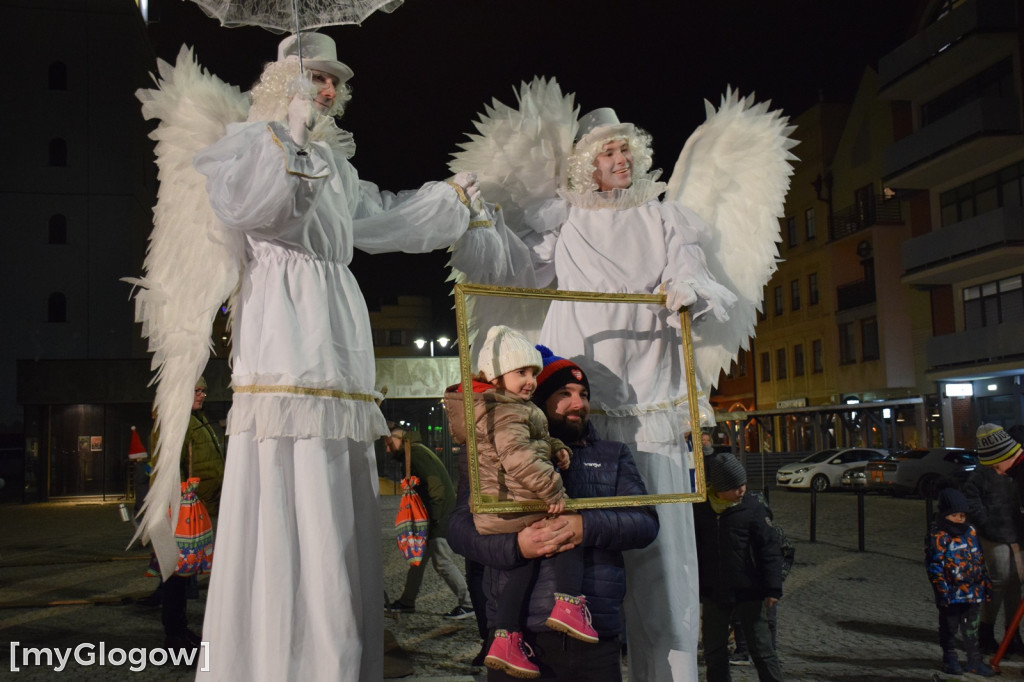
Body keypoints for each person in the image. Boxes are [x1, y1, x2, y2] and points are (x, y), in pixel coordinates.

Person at [184, 33, 478, 681]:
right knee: (290, 465)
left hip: (336, 326)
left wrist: (450, 198)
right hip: (284, 326)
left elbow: (382, 218)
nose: (325, 91)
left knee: (335, 479)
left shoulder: (335, 166)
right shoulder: (251, 144)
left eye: (331, 83)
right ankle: (272, 650)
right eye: (312, 79)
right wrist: (285, 140)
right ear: (279, 83)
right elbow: (253, 209)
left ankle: (333, 645)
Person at [450, 106, 739, 681]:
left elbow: (693, 272)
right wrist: (477, 215)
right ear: (587, 162)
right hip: (576, 397)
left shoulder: (664, 218)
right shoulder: (563, 220)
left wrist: (685, 287)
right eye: (608, 152)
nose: (620, 160)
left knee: (664, 561)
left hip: (650, 385)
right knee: (561, 549)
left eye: (626, 150)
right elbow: (514, 267)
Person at [447, 346, 659, 681]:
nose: (579, 403)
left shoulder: (613, 455)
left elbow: (645, 522)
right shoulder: (488, 455)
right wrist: (517, 546)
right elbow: (459, 529)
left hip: (594, 633)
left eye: (584, 394)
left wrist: (583, 526)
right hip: (518, 633)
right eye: (564, 393)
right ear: (539, 400)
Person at [443, 327, 596, 677]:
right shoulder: (507, 411)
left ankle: (505, 638)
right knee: (567, 527)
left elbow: (534, 442)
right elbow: (518, 457)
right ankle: (568, 604)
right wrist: (554, 491)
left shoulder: (510, 408)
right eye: (520, 373)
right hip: (517, 501)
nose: (529, 381)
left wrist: (556, 448)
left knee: (521, 563)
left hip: (505, 509)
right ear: (495, 376)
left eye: (532, 373)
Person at [144, 377, 224, 651]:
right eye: (197, 390)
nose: (203, 395)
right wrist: (176, 505)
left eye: (203, 389)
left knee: (184, 575)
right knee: (176, 576)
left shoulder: (195, 417)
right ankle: (174, 635)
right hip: (182, 513)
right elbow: (167, 468)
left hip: (198, 511)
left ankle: (180, 629)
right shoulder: (173, 421)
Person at [693, 452, 783, 682]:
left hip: (749, 591)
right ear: (718, 488)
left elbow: (769, 548)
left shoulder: (752, 508)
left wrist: (772, 587)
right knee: (714, 651)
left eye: (743, 483)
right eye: (734, 486)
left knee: (762, 650)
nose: (741, 490)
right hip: (714, 592)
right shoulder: (701, 510)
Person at [383, 423, 475, 620]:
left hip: (437, 516)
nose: (387, 448)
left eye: (389, 443)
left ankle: (469, 603)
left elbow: (436, 488)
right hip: (433, 515)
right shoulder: (414, 453)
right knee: (418, 561)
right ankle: (407, 601)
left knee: (441, 561)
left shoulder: (415, 454)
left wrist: (434, 519)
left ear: (401, 439)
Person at [963, 423, 1024, 655]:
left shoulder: (1015, 468)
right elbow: (971, 497)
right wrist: (986, 523)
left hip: (1017, 533)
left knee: (1016, 584)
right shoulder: (984, 471)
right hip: (995, 533)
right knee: (998, 582)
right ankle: (985, 633)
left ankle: (1012, 634)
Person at [926, 487, 995, 676]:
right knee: (949, 627)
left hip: (973, 593)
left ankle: (974, 660)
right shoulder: (939, 536)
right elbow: (934, 565)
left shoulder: (970, 532)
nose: (959, 519)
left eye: (962, 515)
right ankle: (950, 658)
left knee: (971, 629)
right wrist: (941, 590)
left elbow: (978, 558)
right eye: (954, 515)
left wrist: (985, 583)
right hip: (951, 594)